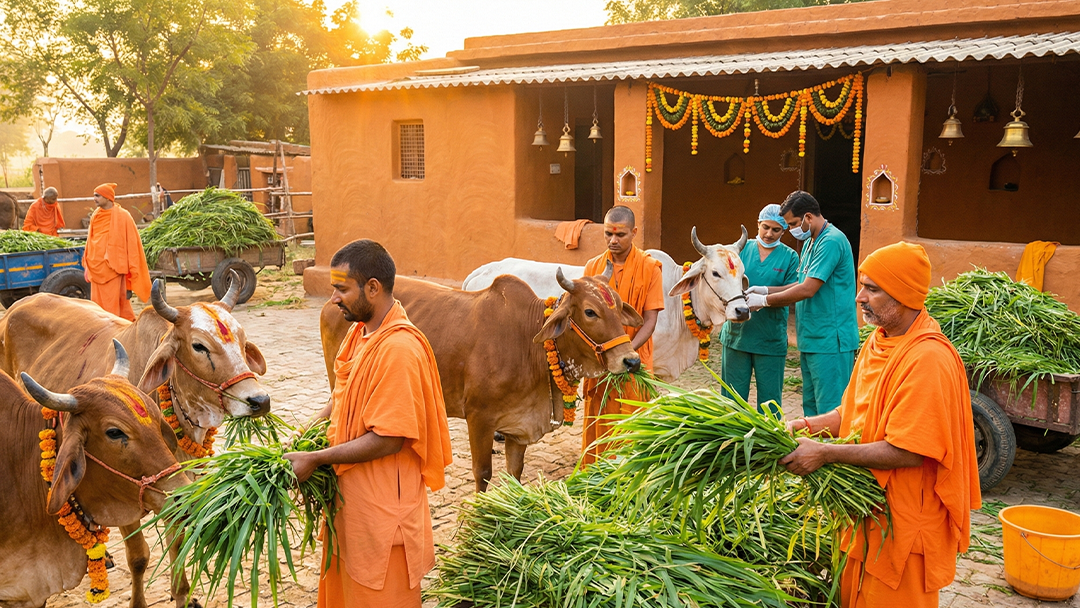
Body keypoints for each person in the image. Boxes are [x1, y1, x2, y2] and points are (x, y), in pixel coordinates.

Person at [779, 241, 981, 608]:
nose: (859, 297)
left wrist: (825, 454)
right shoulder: (878, 340)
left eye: (872, 289)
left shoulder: (928, 359)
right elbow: (851, 415)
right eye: (861, 286)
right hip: (868, 510)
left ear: (902, 295)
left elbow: (908, 450)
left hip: (903, 522)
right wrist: (805, 425)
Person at [284, 239, 452, 608]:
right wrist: (307, 432)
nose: (333, 299)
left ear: (372, 288)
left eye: (342, 289)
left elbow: (389, 438)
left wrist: (317, 459)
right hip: (352, 502)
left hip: (382, 512)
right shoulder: (360, 333)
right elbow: (339, 396)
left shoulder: (399, 350)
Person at [744, 191, 859, 417]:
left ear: (808, 217)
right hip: (811, 339)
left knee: (830, 410)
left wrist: (764, 301)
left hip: (831, 340)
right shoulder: (810, 243)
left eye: (793, 224)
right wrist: (765, 289)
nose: (792, 229)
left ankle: (832, 453)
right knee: (812, 409)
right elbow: (799, 283)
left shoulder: (832, 241)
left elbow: (808, 289)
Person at [580, 205, 664, 465]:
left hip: (634, 361)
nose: (613, 241)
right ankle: (596, 476)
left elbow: (650, 319)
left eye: (620, 235)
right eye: (608, 234)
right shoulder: (593, 266)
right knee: (600, 421)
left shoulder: (650, 268)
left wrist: (629, 353)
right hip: (601, 362)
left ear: (634, 232)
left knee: (633, 424)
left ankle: (629, 477)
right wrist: (604, 355)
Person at [721, 204, 799, 416]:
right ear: (758, 224)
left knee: (770, 403)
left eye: (776, 230)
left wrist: (765, 296)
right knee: (731, 401)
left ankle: (768, 446)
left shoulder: (790, 257)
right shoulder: (740, 250)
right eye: (765, 227)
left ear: (784, 231)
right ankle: (732, 444)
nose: (769, 234)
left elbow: (796, 288)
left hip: (769, 338)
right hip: (737, 336)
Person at [84, 183, 152, 321]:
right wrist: (87, 264)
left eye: (97, 196)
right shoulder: (95, 215)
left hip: (113, 268)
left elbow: (132, 244)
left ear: (108, 198)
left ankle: (114, 329)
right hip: (96, 268)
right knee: (97, 309)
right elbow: (90, 241)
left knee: (114, 308)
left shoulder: (123, 216)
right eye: (94, 195)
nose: (94, 199)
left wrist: (132, 272)